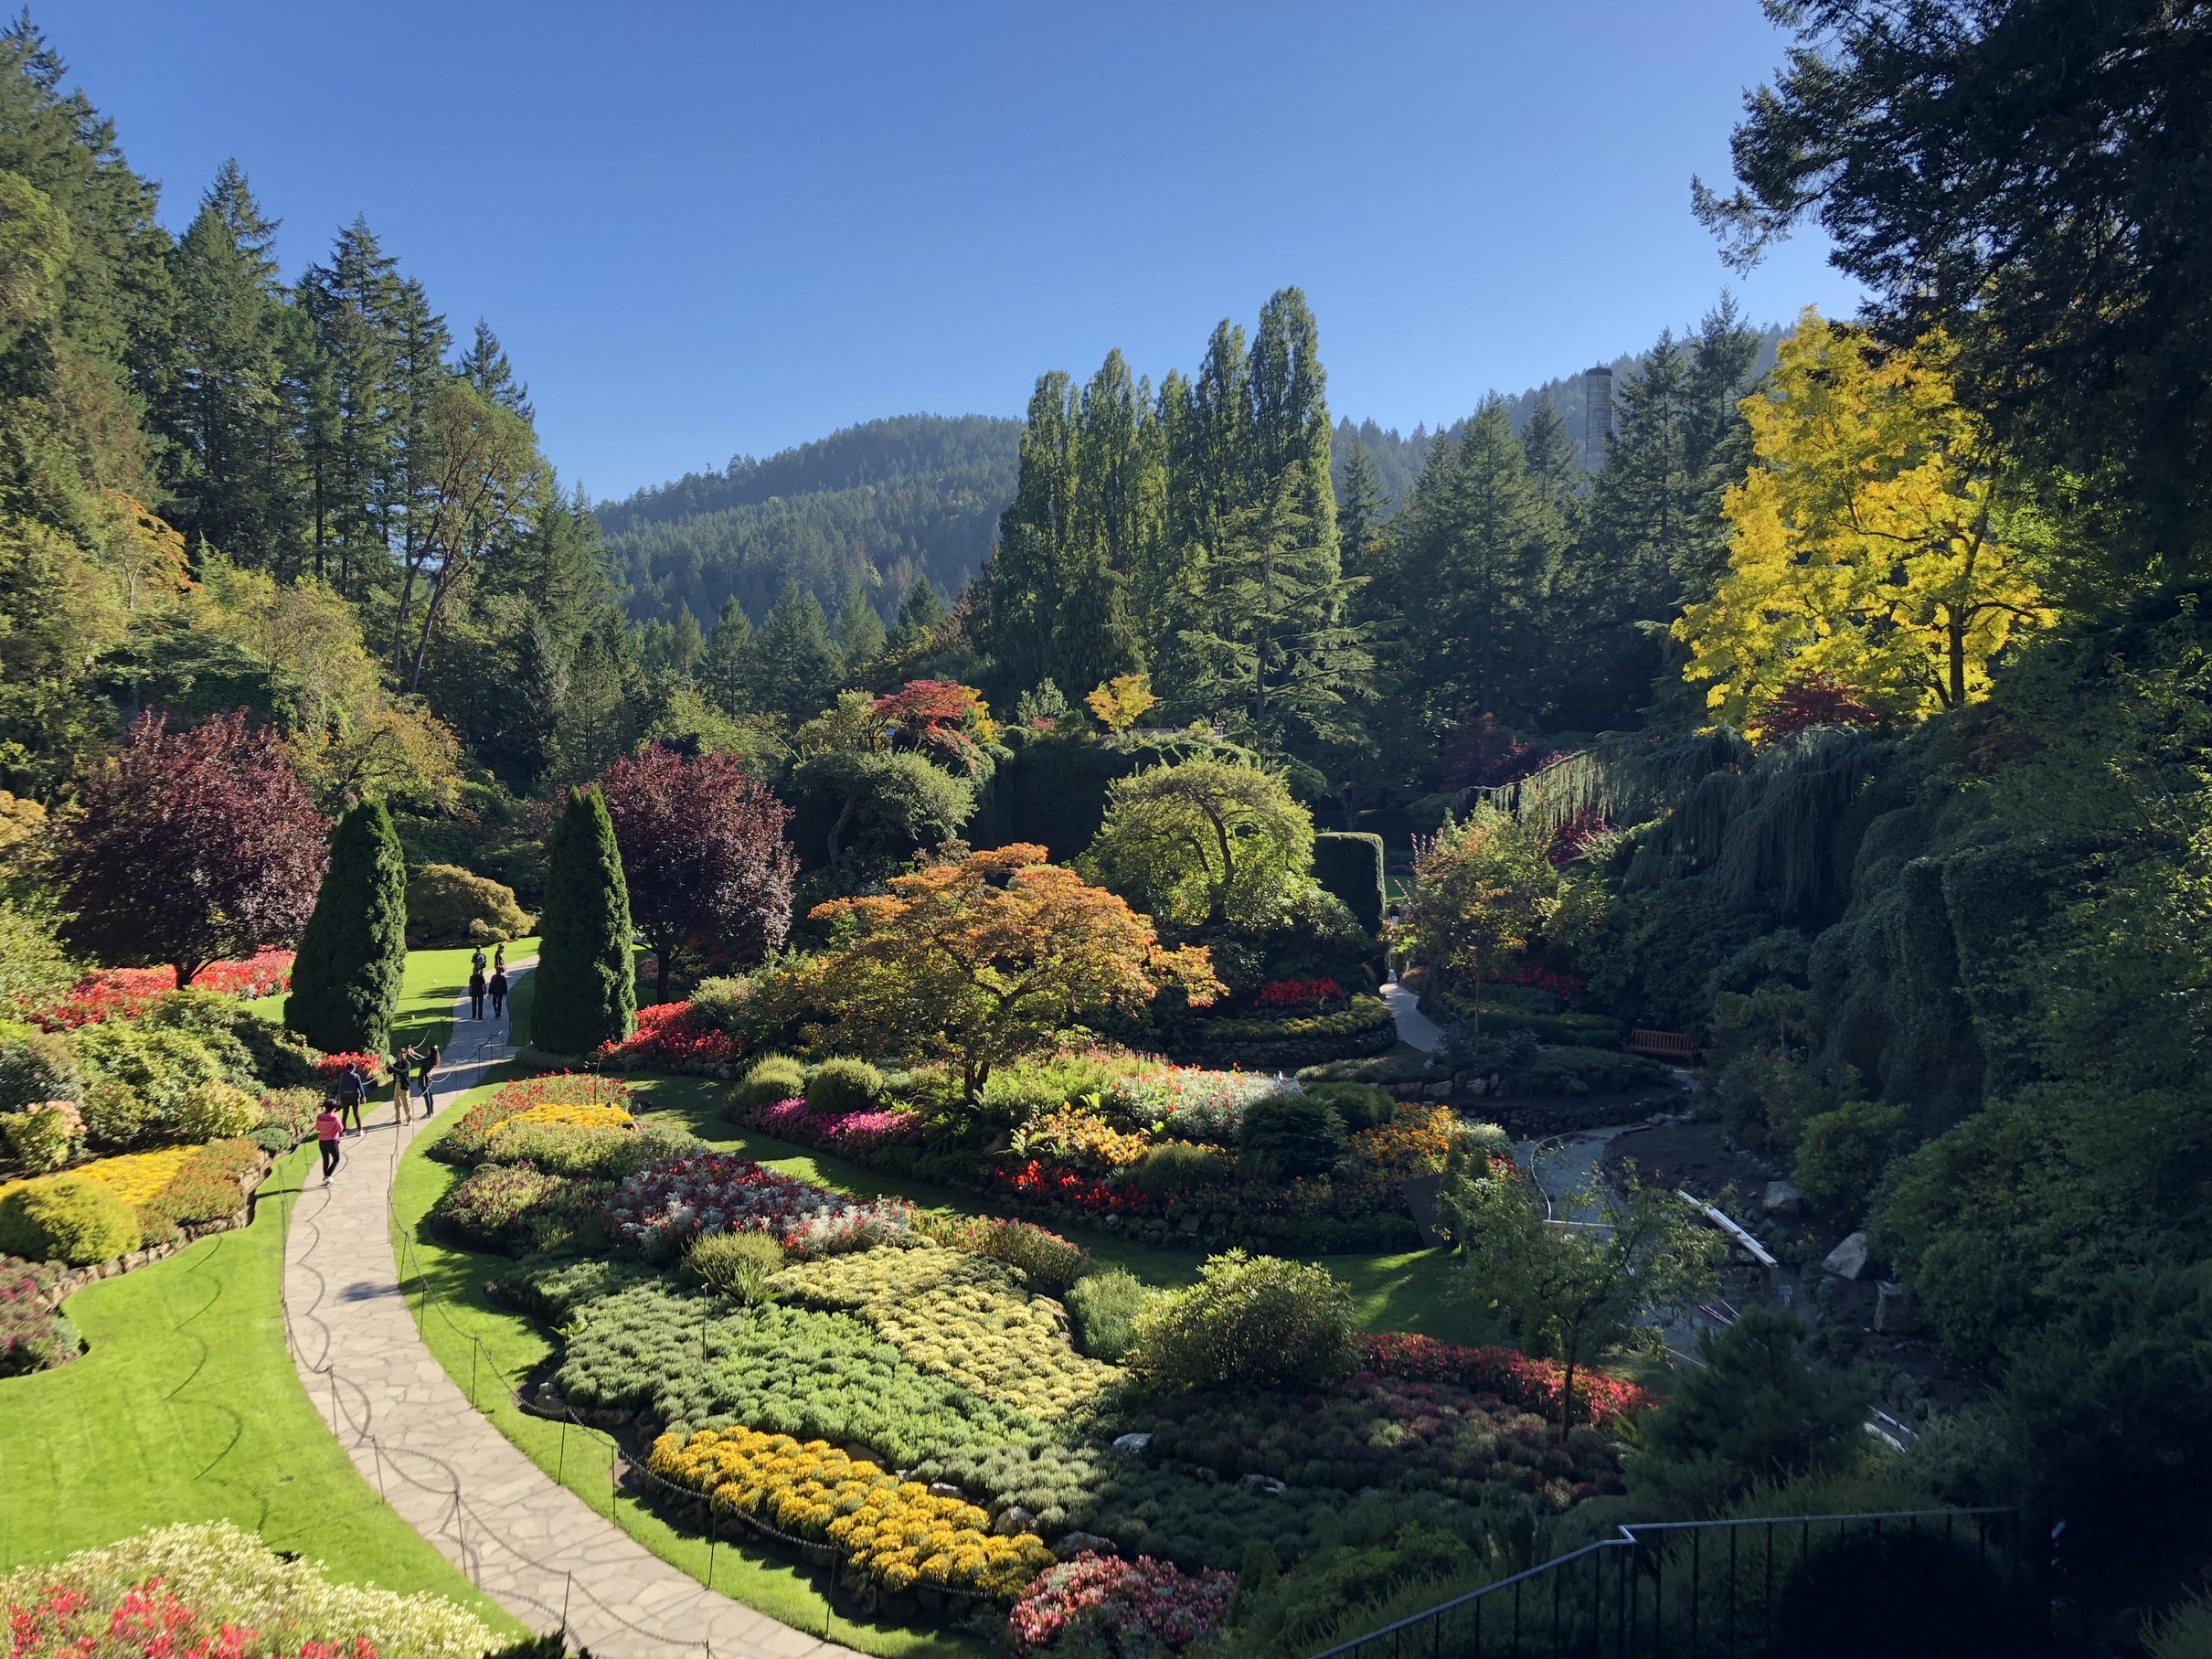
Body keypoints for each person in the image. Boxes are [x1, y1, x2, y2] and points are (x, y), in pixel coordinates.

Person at [315, 1102, 343, 1186]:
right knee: (336, 1159)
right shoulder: (334, 1117)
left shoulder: (320, 1117)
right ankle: (328, 1175)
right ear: (334, 1108)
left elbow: (317, 1128)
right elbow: (340, 1128)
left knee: (325, 1159)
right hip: (332, 1140)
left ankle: (326, 1176)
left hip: (322, 1141)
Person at [390, 1045, 415, 1126]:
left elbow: (402, 1072)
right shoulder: (397, 1063)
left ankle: (409, 1119)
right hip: (397, 1084)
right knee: (397, 1102)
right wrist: (388, 1067)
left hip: (404, 1085)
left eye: (404, 1053)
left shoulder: (408, 1064)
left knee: (406, 1103)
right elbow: (390, 1071)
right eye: (401, 1053)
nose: (402, 1055)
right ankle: (398, 1119)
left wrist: (393, 1069)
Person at [337, 1062, 365, 1135]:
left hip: (345, 1097)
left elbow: (340, 1087)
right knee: (356, 1113)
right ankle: (360, 1130)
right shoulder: (356, 1076)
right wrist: (363, 1096)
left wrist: (340, 1097)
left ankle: (344, 1131)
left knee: (345, 1114)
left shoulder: (343, 1076)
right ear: (353, 1068)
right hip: (354, 1097)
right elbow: (360, 1086)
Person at [419, 1043, 442, 1116]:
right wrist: (414, 1053)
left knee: (427, 1095)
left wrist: (411, 1055)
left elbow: (419, 1060)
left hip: (424, 1078)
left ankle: (429, 1112)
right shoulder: (432, 1059)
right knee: (430, 1094)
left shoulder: (428, 1060)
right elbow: (422, 1058)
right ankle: (431, 1111)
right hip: (428, 1078)